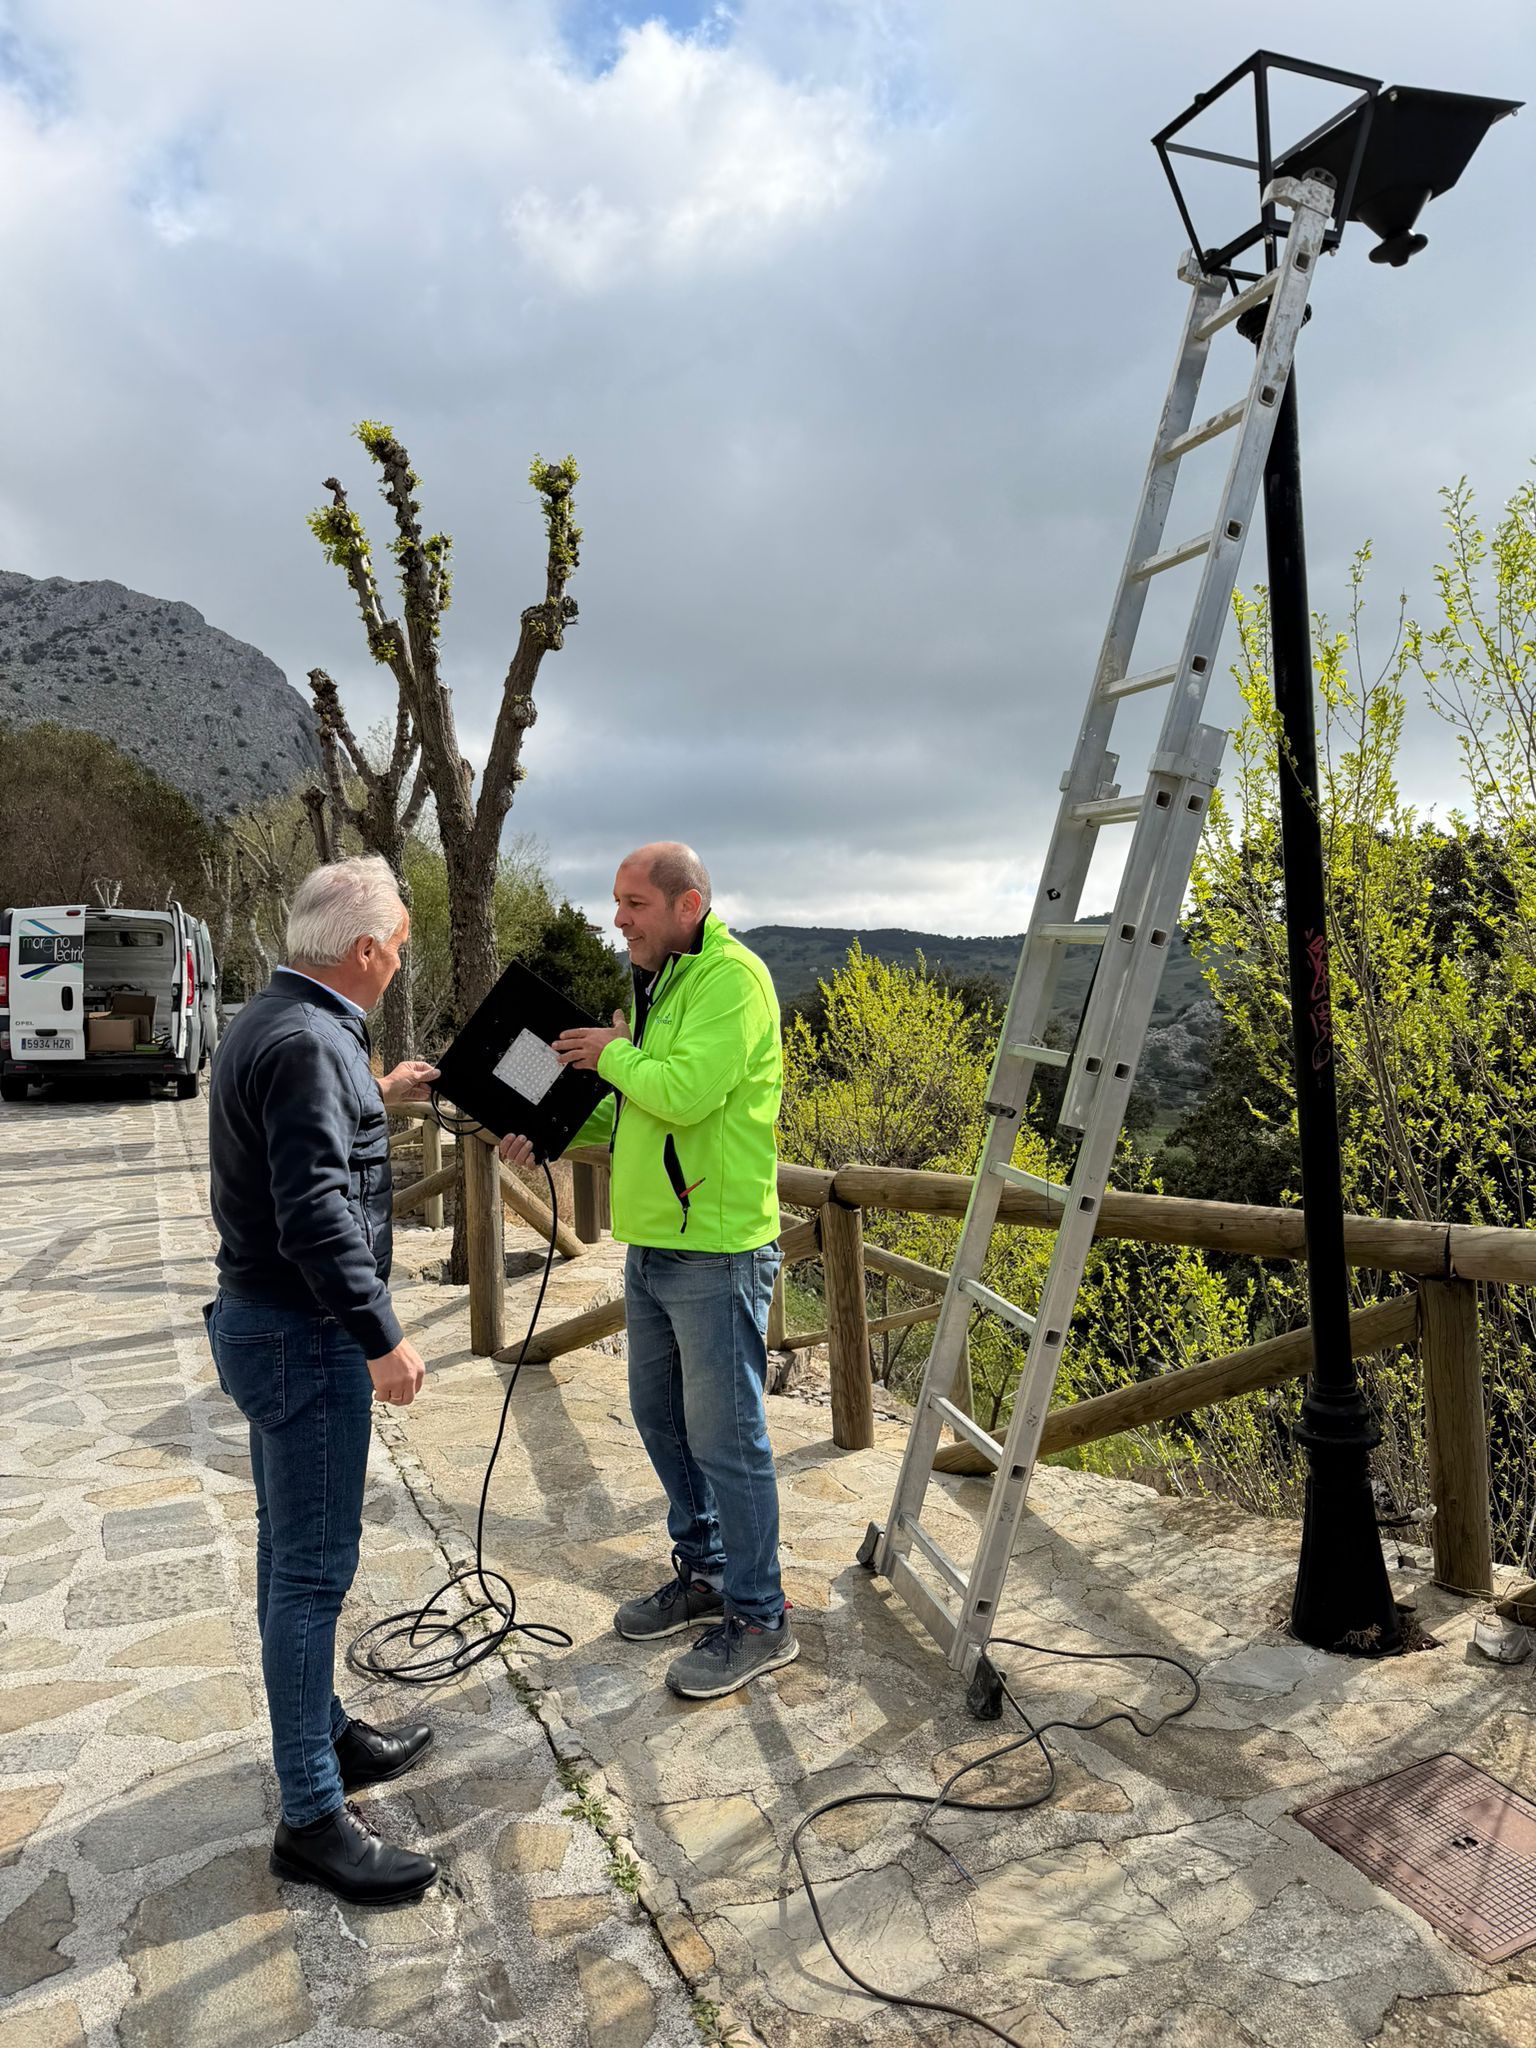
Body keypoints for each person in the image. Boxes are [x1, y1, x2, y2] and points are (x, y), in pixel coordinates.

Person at [499, 843, 795, 1700]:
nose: (617, 918)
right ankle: (704, 1574)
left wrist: (608, 1052)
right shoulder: (661, 983)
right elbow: (643, 1120)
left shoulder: (733, 981)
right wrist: (547, 1136)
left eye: (633, 903)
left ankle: (762, 1616)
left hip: (719, 1249)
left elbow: (687, 1091)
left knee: (728, 1437)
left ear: (687, 904)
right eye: (617, 902)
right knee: (657, 1414)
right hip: (657, 1245)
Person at [205, 855, 442, 1904]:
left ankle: (325, 1732)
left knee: (284, 1548)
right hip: (304, 1334)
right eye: (396, 944)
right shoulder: (309, 1044)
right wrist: (382, 1335)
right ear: (363, 951)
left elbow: (300, 1144)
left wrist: (377, 1091)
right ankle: (311, 1813)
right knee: (310, 1571)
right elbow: (314, 1213)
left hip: (263, 1323)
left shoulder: (277, 1023)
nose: (399, 960)